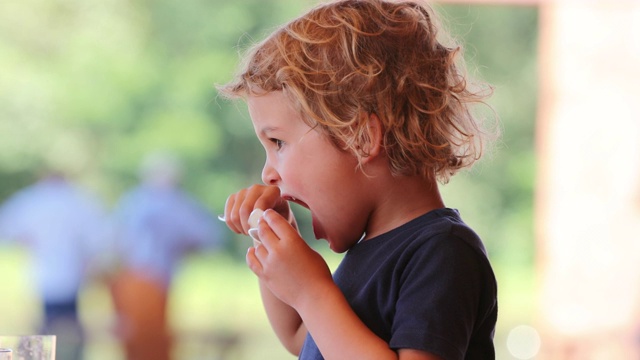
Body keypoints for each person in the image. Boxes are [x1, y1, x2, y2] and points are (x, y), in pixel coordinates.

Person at [216, 1, 499, 359]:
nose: (267, 173)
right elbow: (299, 335)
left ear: (361, 138)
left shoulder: (442, 253)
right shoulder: (368, 254)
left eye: (278, 143)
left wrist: (312, 292)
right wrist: (274, 233)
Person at [108, 151, 222, 360]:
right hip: (155, 282)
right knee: (154, 346)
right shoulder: (178, 204)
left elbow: (114, 244)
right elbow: (209, 237)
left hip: (131, 280)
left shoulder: (133, 200)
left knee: (135, 345)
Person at [0, 171, 110, 360]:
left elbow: (8, 227)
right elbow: (100, 236)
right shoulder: (78, 200)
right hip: (69, 275)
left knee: (46, 329)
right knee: (68, 328)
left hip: (43, 276)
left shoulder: (31, 200)